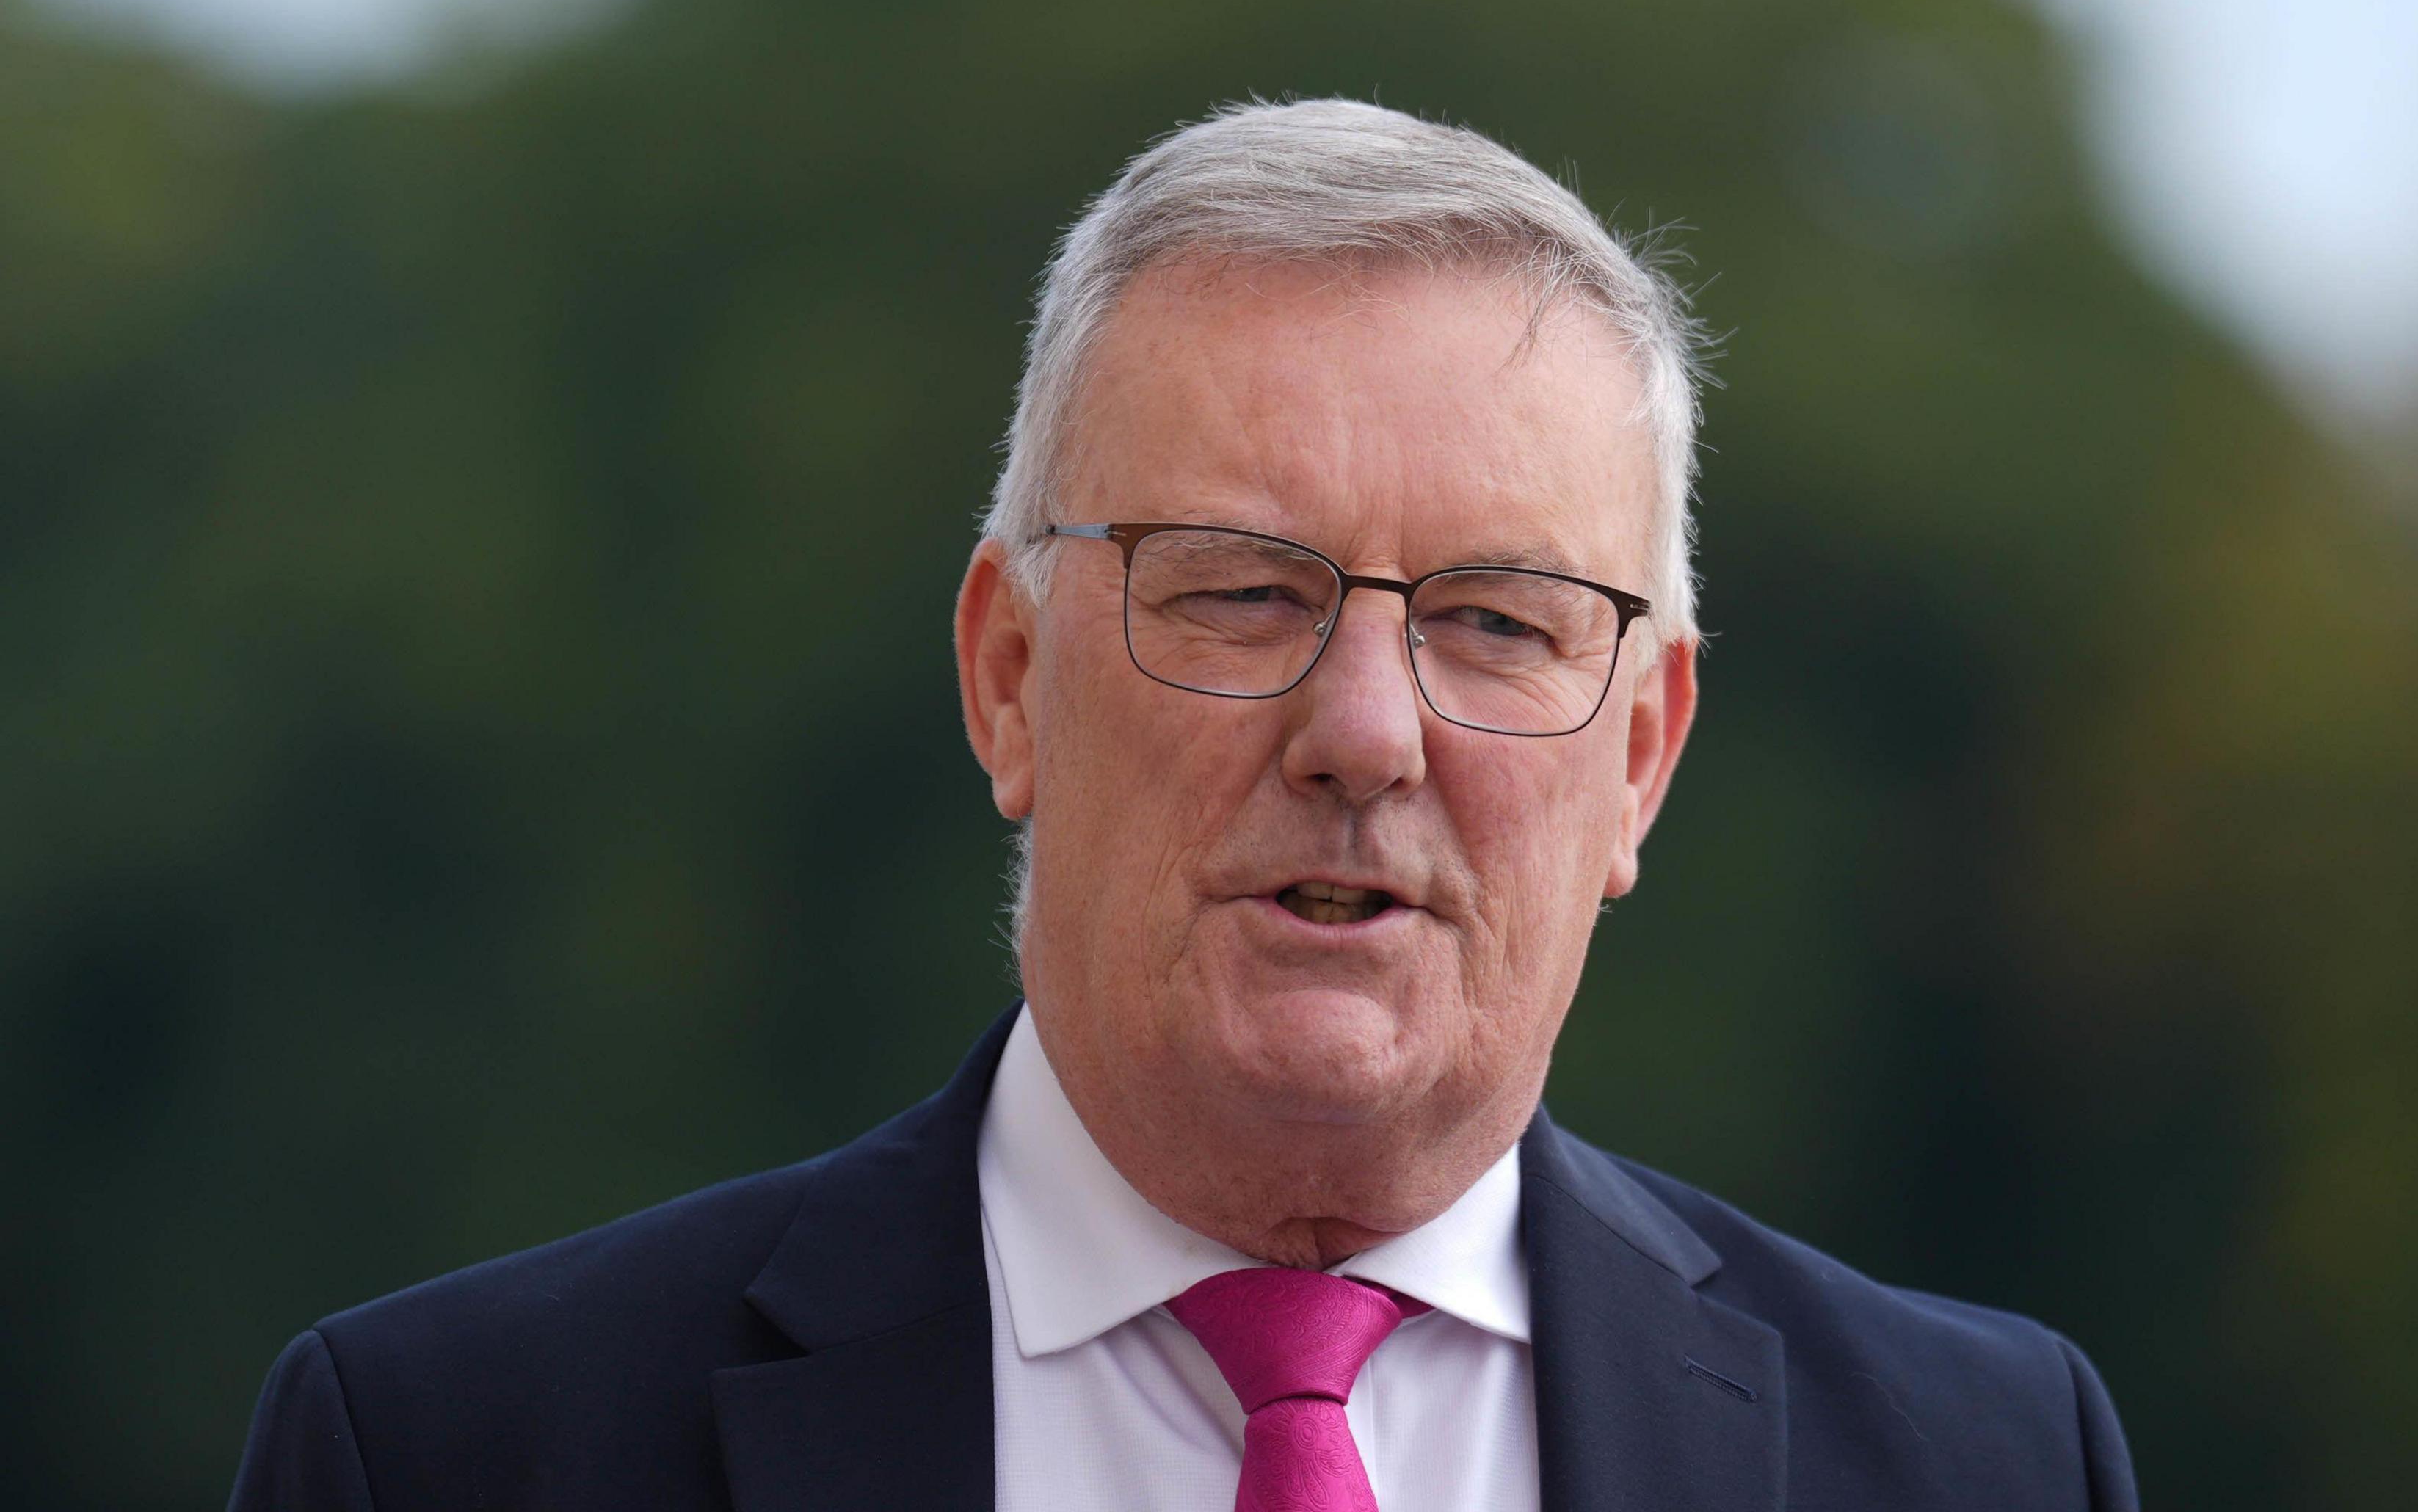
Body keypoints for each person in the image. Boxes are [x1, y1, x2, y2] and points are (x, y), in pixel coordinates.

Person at [230, 98, 2137, 1511]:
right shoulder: (453, 1452)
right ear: (1007, 675)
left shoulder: (1981, 1462)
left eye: (1495, 620)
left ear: (1642, 753)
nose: (1368, 732)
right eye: (1241, 588)